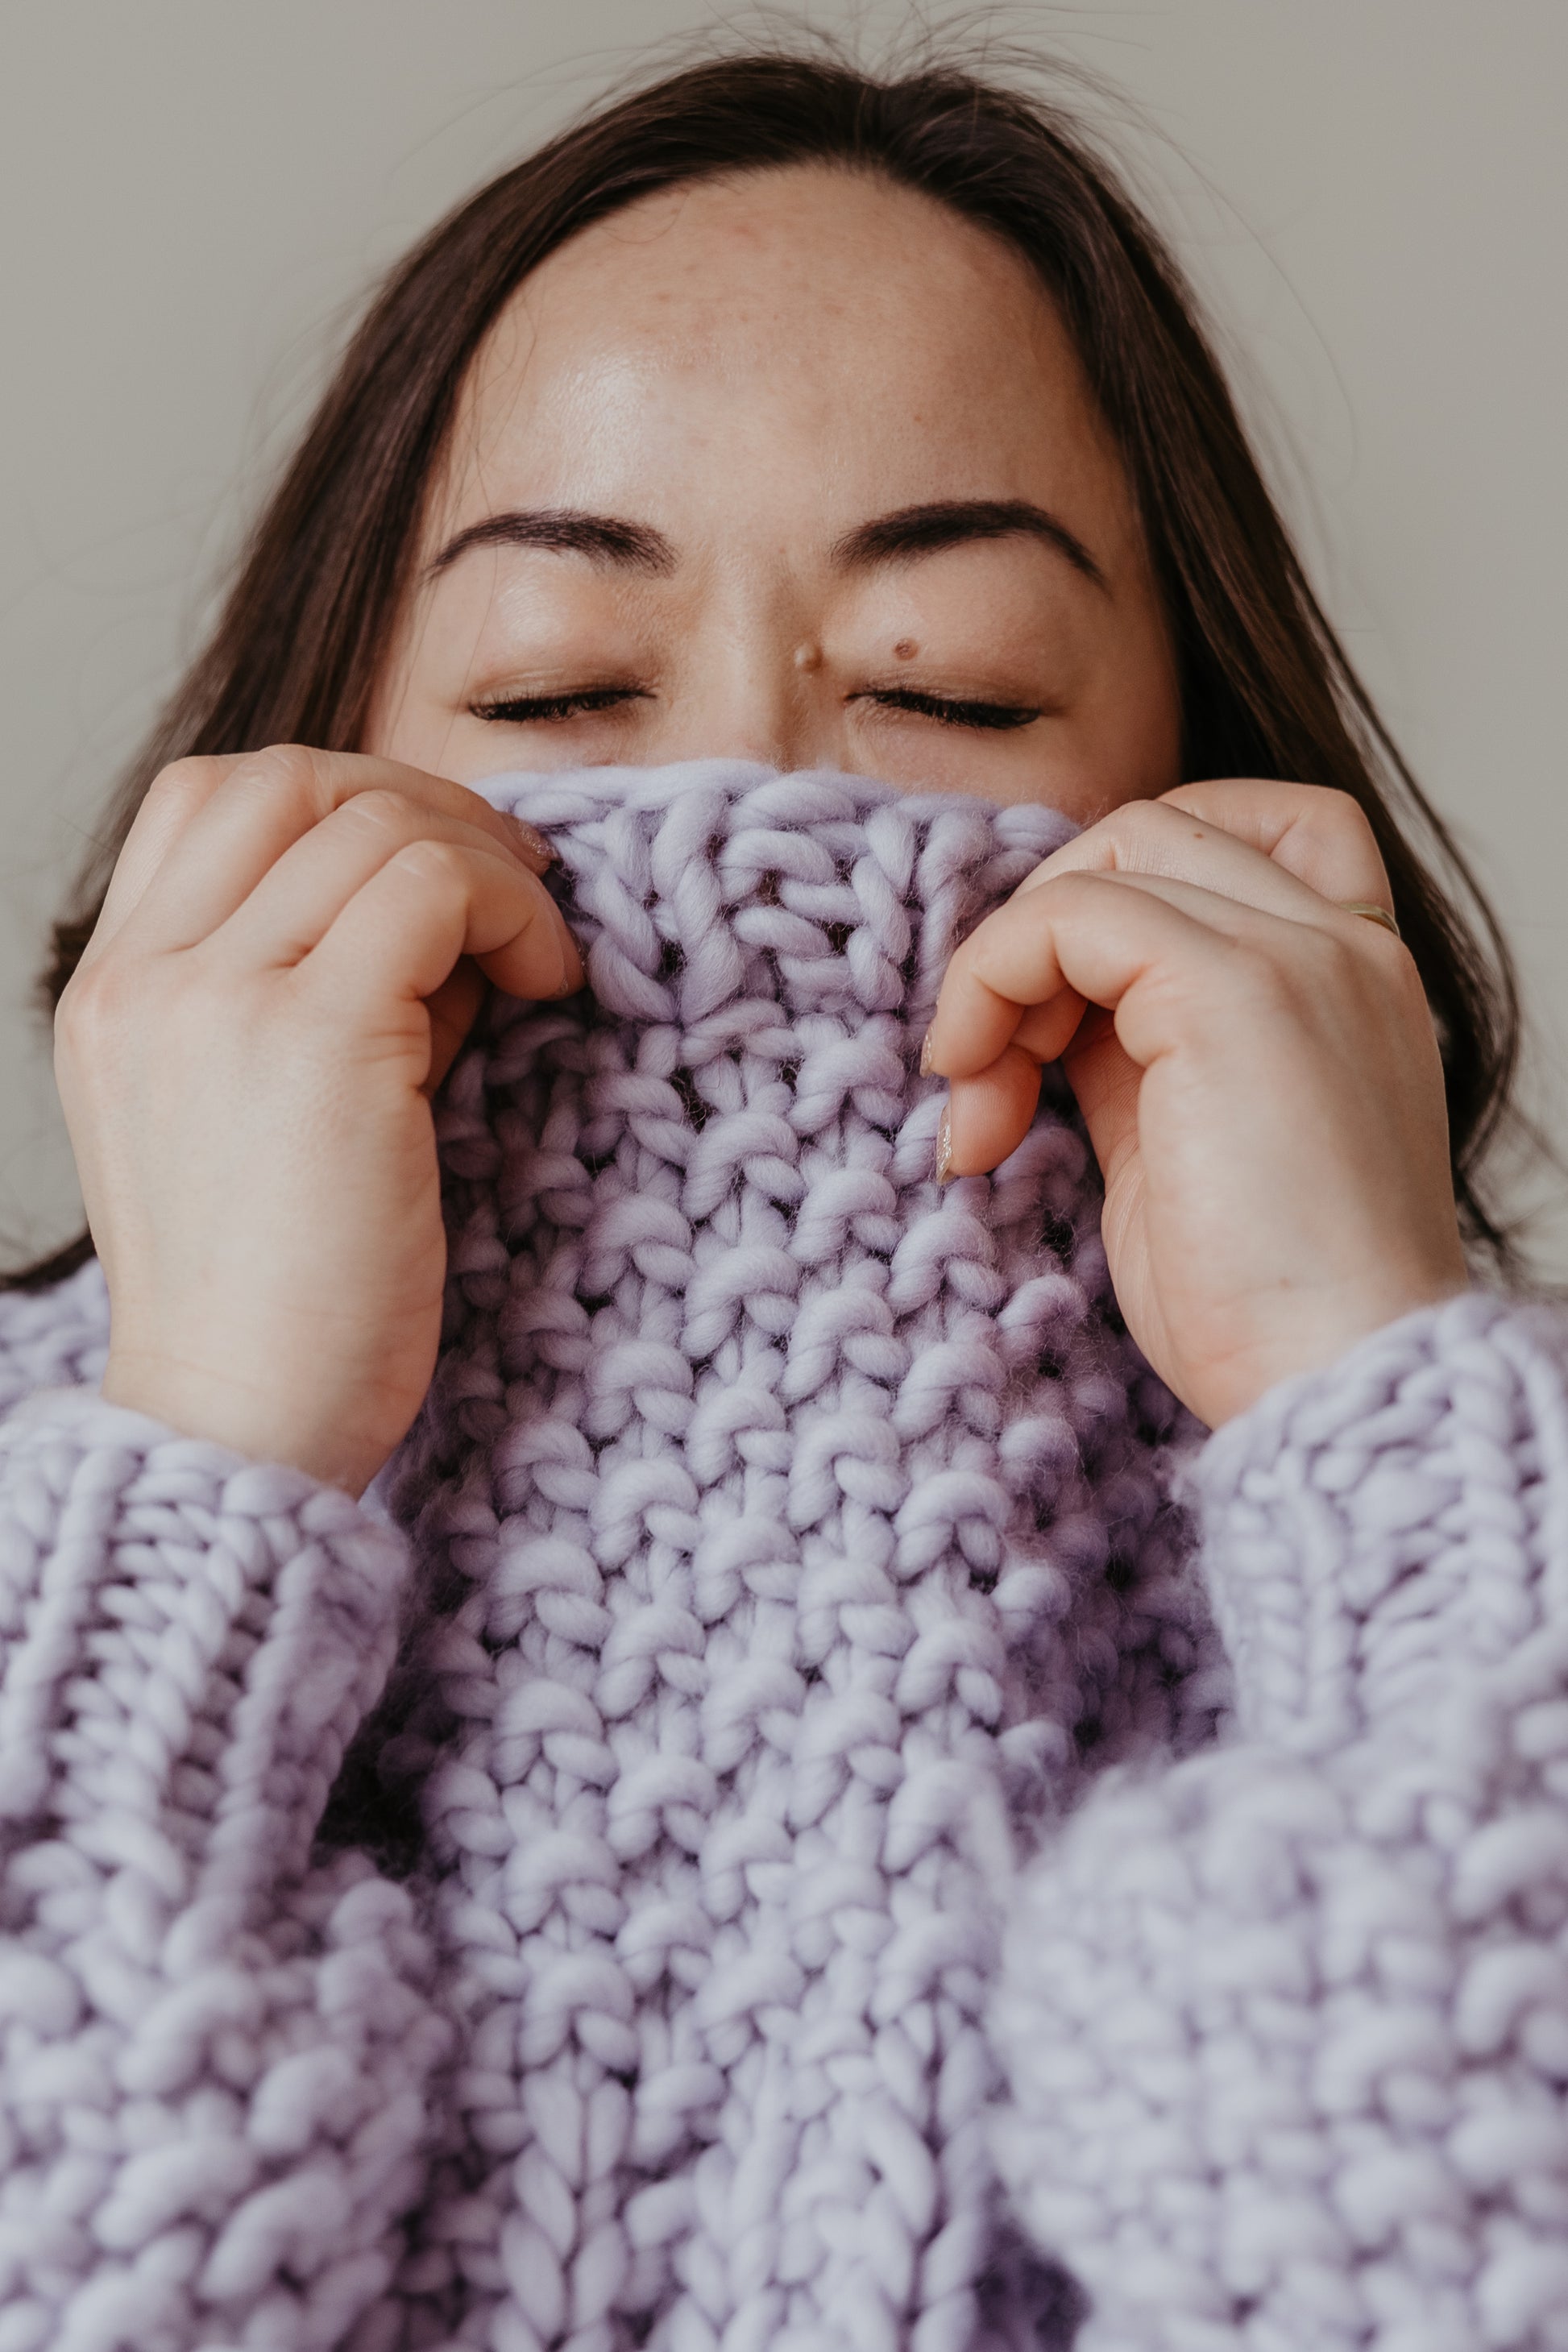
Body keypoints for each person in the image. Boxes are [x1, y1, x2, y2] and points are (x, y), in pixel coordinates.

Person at [2, 44, 1563, 2352]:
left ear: (1206, 780)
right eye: (560, 683)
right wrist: (209, 1455)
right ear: (312, 760)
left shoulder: (1481, 1531)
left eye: (948, 689)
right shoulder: (66, 1503)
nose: (750, 776)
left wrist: (1374, 1407)